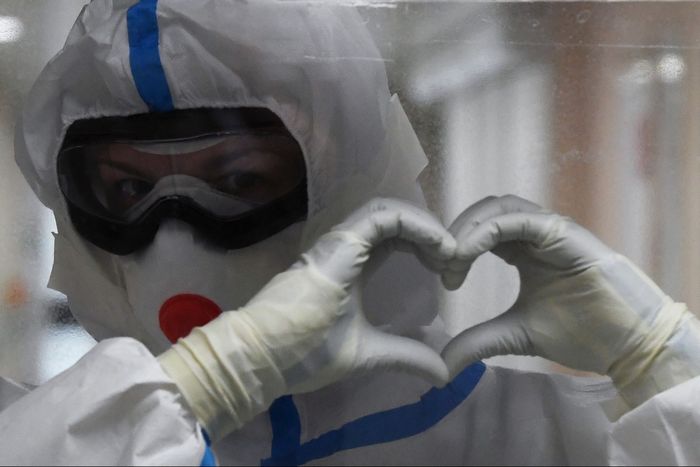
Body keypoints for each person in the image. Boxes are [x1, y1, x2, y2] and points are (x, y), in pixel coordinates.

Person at [2, 0, 700, 465]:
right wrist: (184, 392)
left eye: (240, 179)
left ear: (349, 190)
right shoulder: (38, 435)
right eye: (127, 190)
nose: (174, 241)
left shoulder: (526, 439)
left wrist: (668, 367)